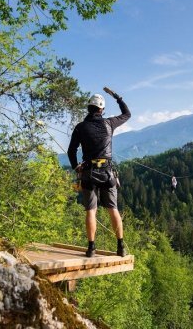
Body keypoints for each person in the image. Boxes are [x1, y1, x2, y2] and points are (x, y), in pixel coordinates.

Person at [68, 87, 131, 257]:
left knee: (91, 210)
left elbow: (71, 151)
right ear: (101, 109)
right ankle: (121, 247)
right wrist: (118, 97)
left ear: (89, 108)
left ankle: (91, 248)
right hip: (107, 173)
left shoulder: (80, 127)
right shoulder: (109, 123)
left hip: (88, 173)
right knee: (113, 209)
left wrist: (76, 167)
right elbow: (127, 114)